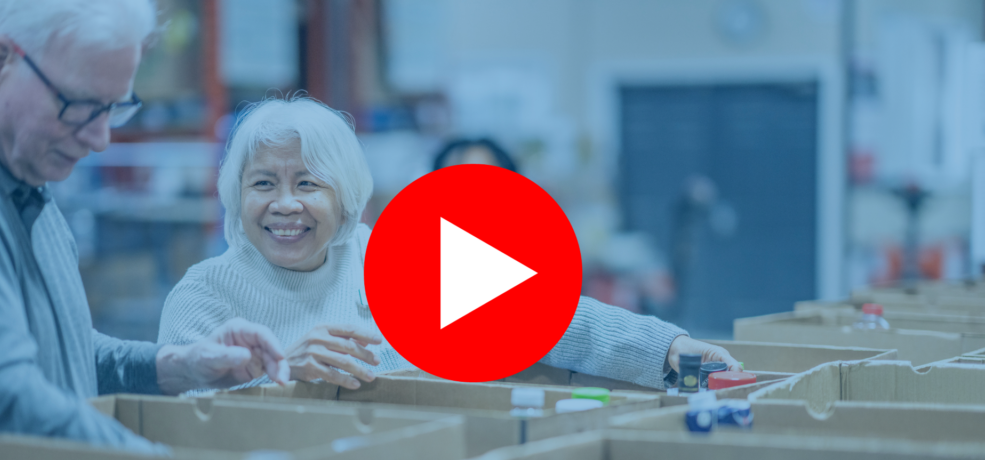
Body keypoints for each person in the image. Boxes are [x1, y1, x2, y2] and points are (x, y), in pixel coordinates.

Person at [159, 97, 740, 391]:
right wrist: (283, 379)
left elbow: (556, 321)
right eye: (264, 184)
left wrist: (671, 351)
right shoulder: (204, 297)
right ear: (236, 196)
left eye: (307, 183)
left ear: (348, 195)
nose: (285, 204)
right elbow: (180, 422)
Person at [0, 0, 290, 454]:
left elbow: (60, 352)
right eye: (79, 105)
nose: (99, 139)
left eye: (114, 108)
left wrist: (178, 365)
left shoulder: (22, 171)